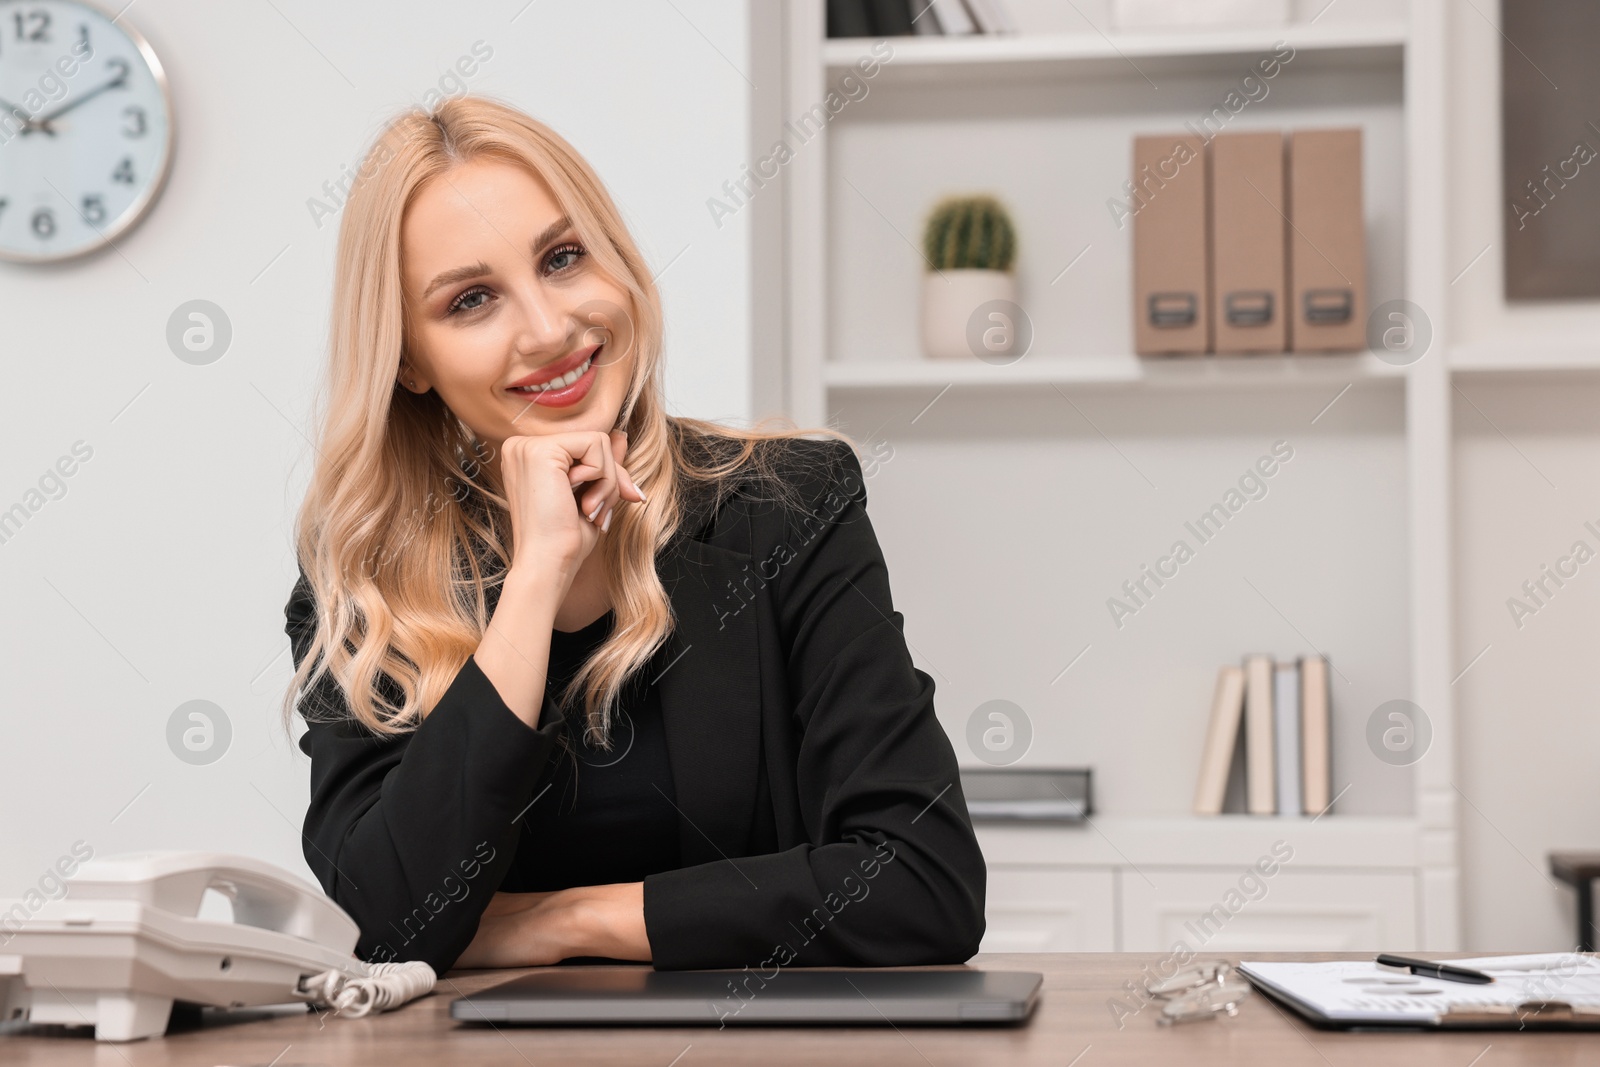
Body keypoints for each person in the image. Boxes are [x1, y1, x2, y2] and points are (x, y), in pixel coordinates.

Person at [281, 95, 985, 973]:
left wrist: (565, 921)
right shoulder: (364, 579)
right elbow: (385, 925)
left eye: (563, 258)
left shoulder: (789, 504)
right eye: (471, 300)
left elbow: (925, 884)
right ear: (410, 360)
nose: (548, 329)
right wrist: (535, 577)